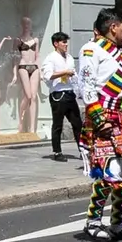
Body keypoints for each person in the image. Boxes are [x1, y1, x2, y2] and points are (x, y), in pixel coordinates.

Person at [75, 8, 122, 242]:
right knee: (108, 174)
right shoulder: (90, 50)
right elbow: (87, 86)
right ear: (113, 27)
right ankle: (93, 222)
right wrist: (98, 118)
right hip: (104, 117)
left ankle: (118, 223)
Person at [43, 30, 81, 159]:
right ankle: (57, 152)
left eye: (66, 42)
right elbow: (47, 76)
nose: (66, 45)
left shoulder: (69, 57)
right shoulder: (51, 58)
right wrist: (64, 72)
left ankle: (83, 150)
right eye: (63, 42)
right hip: (58, 94)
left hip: (70, 93)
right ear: (56, 44)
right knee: (58, 124)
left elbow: (74, 74)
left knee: (77, 123)